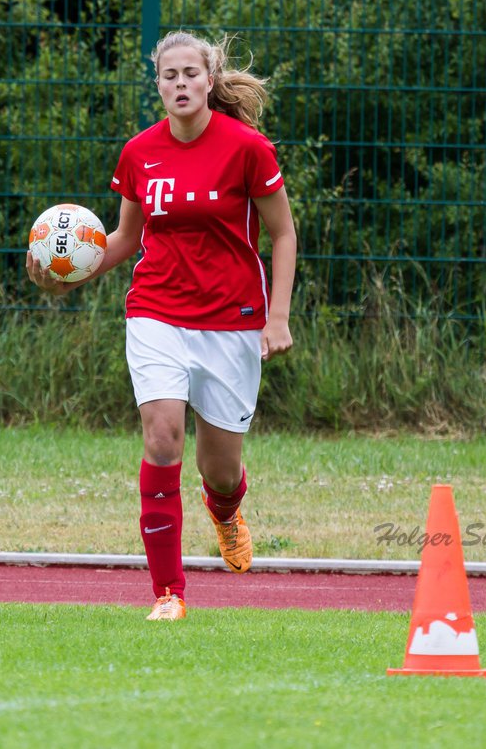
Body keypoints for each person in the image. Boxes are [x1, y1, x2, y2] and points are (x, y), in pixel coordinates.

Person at [26, 31, 296, 621]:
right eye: (168, 75)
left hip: (232, 319)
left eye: (189, 74)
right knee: (162, 435)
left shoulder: (248, 149)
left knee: (219, 468)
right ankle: (168, 593)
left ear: (208, 79)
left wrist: (277, 317)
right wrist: (74, 276)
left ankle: (225, 511)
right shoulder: (139, 153)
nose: (180, 84)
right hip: (157, 311)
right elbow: (125, 237)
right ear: (158, 85)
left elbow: (283, 234)